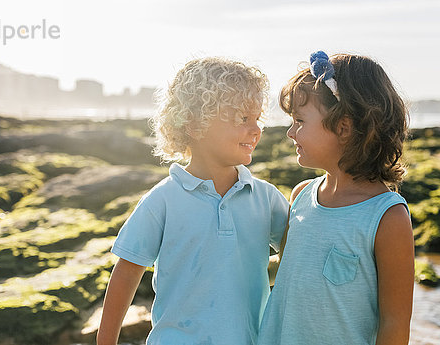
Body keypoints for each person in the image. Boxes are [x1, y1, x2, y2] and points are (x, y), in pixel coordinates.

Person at [97, 57, 289, 345]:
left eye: (256, 118)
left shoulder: (266, 198)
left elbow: (299, 255)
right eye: (242, 119)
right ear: (194, 125)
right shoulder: (162, 200)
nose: (256, 129)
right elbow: (126, 273)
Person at [258, 51, 414, 345]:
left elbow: (394, 323)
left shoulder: (387, 216)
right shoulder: (301, 195)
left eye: (300, 121)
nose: (290, 132)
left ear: (343, 127)